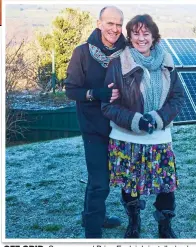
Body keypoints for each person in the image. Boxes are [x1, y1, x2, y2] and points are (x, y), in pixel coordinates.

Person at [101, 14, 184, 239]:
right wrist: (136, 120)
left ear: (154, 37)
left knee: (166, 186)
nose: (141, 38)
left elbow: (177, 98)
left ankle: (164, 227)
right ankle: (134, 222)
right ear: (129, 37)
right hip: (127, 137)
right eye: (136, 33)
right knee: (131, 185)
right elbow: (108, 106)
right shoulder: (118, 64)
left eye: (146, 33)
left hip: (159, 137)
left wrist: (157, 118)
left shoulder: (167, 63)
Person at [64, 6, 126, 238]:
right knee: (99, 180)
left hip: (121, 126)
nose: (115, 29)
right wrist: (95, 93)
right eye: (110, 23)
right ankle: (92, 230)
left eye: (119, 24)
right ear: (99, 23)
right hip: (93, 126)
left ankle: (95, 215)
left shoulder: (127, 52)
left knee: (112, 178)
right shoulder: (82, 53)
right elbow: (71, 91)